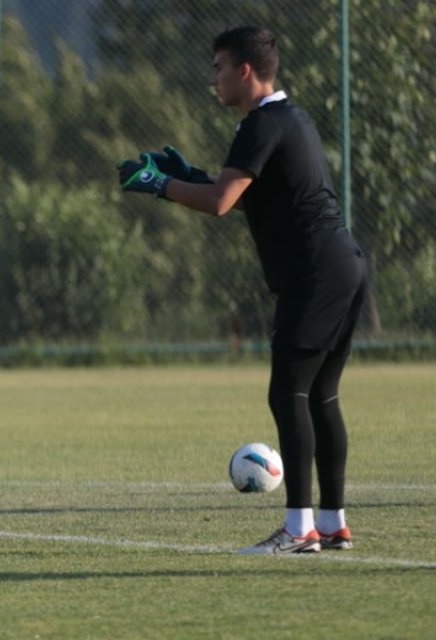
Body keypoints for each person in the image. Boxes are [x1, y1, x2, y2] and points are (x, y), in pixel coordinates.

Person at [119, 26, 366, 555]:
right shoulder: (287, 117)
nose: (213, 78)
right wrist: (190, 175)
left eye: (218, 68)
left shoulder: (259, 122)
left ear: (245, 71)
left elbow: (220, 202)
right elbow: (244, 191)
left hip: (314, 274)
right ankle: (331, 522)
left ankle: (299, 531)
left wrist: (158, 185)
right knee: (321, 395)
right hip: (343, 265)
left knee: (289, 393)